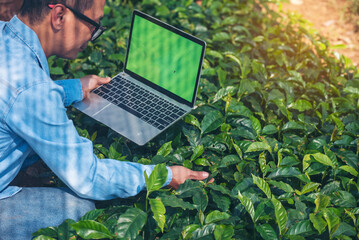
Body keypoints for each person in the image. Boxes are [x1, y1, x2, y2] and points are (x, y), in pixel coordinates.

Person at [0, 0, 211, 239]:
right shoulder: (33, 90)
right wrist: (167, 176)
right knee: (80, 211)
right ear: (59, 16)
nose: (93, 38)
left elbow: (17, 98)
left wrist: (72, 89)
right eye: (94, 25)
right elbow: (87, 177)